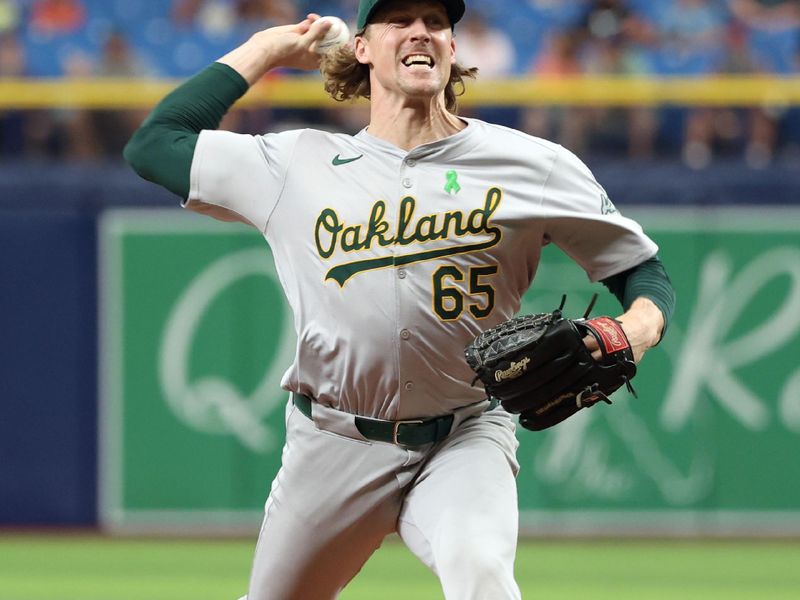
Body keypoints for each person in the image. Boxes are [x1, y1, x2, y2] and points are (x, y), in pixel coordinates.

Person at [124, 1, 675, 598]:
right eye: (398, 20)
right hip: (332, 441)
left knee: (482, 573)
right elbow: (154, 145)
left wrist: (635, 331)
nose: (420, 32)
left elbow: (641, 271)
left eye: (436, 22)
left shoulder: (529, 163)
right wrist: (270, 50)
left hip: (465, 435)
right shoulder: (293, 164)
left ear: (453, 48)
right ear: (362, 48)